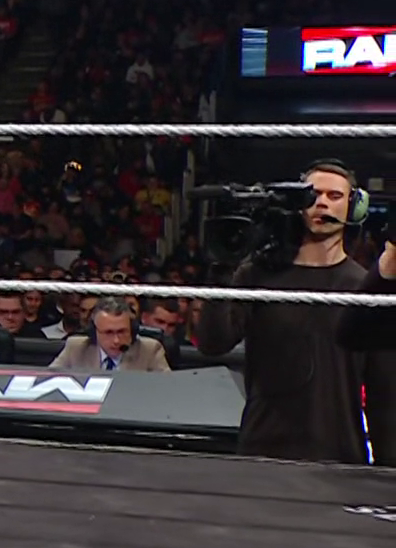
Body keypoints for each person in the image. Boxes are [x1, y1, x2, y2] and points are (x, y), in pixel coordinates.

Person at [197, 160, 396, 463]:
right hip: (262, 450)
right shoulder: (257, 274)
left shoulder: (365, 288)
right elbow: (213, 343)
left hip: (339, 455)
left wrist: (386, 474)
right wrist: (221, 271)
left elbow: (384, 395)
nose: (322, 203)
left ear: (354, 207)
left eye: (334, 196)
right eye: (313, 195)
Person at [47, 296, 171, 373]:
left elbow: (168, 388)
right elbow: (48, 380)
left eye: (122, 331)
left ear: (132, 330)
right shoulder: (76, 347)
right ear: (94, 332)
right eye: (108, 332)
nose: (116, 340)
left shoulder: (150, 350)